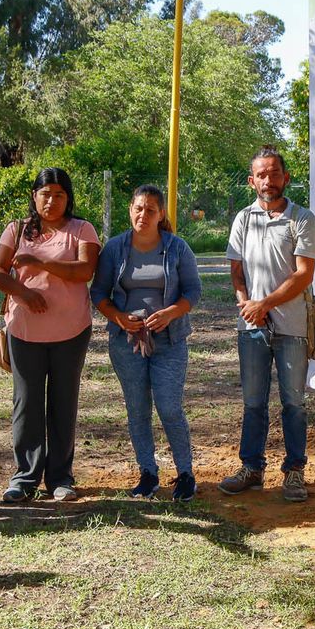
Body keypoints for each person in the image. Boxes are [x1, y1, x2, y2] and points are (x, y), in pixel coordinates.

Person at [0, 168, 100, 503]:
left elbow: (85, 271)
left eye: (59, 194)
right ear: (34, 196)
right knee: (27, 404)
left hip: (71, 331)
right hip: (24, 331)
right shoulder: (17, 229)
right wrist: (22, 292)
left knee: (63, 404)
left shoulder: (82, 229)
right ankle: (24, 477)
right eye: (45, 193)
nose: (51, 201)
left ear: (69, 198)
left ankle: (60, 478)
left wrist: (40, 261)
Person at [220, 146, 315, 502]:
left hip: (291, 326)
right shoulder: (243, 219)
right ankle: (252, 468)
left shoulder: (302, 218)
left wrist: (265, 304)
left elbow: (303, 274)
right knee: (253, 403)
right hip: (251, 328)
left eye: (274, 173)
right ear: (252, 181)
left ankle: (294, 472)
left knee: (294, 403)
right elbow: (236, 271)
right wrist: (247, 305)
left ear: (286, 178)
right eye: (261, 175)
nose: (268, 180)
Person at [92, 185, 201, 501]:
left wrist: (170, 313)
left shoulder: (178, 248)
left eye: (150, 210)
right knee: (137, 409)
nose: (143, 215)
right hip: (127, 342)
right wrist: (118, 318)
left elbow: (193, 291)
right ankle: (148, 473)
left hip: (169, 340)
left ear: (161, 214)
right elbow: (98, 293)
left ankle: (185, 474)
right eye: (138, 208)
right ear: (130, 210)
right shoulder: (114, 248)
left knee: (169, 407)